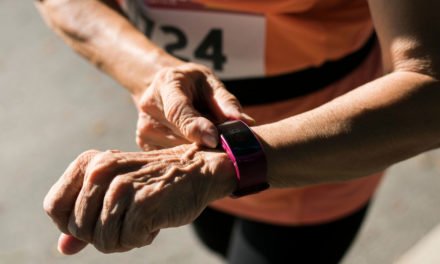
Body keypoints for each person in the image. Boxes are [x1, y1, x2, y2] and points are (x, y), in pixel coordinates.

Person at [38, 0, 440, 263]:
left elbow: (429, 84)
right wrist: (152, 71)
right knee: (218, 243)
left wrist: (227, 165)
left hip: (315, 164)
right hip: (177, 151)